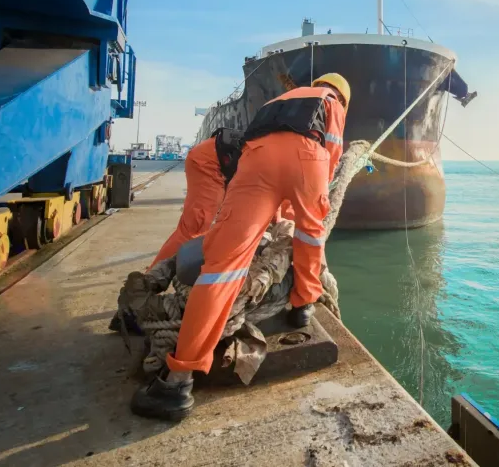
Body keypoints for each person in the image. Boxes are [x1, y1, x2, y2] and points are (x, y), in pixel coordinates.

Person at [130, 73, 351, 421]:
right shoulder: (331, 100)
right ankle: (303, 305)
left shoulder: (279, 101)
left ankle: (177, 383)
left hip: (256, 161)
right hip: (309, 157)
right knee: (308, 236)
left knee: (222, 269)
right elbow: (331, 152)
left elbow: (258, 145)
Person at [110, 127, 244, 334]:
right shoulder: (287, 162)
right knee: (194, 228)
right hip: (209, 164)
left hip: (218, 162)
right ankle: (137, 300)